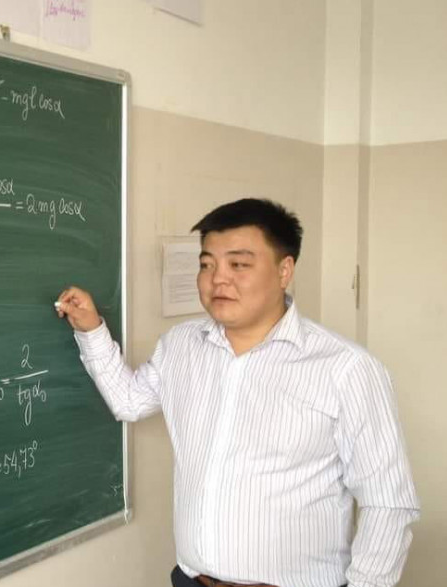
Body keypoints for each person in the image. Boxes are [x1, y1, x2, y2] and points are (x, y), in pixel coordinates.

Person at [55, 199, 419, 587]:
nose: (218, 280)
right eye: (207, 264)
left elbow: (388, 504)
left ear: (284, 271)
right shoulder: (181, 346)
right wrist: (91, 329)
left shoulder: (347, 369)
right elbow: (129, 401)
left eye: (239, 265)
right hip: (192, 581)